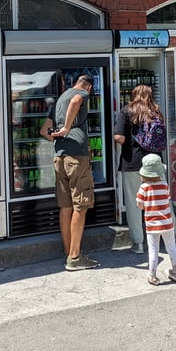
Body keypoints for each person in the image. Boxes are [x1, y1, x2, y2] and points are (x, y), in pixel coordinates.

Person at [113, 84, 176, 254]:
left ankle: (138, 244)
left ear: (134, 95)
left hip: (132, 162)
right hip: (154, 164)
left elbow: (119, 137)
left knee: (134, 204)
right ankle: (174, 234)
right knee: (162, 200)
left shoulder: (126, 111)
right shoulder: (156, 112)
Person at [49, 73, 99, 271]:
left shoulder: (61, 97)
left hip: (59, 156)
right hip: (77, 157)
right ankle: (75, 257)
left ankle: (69, 252)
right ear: (88, 87)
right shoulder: (81, 94)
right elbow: (77, 101)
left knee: (65, 206)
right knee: (81, 205)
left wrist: (58, 134)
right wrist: (67, 128)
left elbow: (45, 130)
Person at [135, 153, 176, 285]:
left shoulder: (144, 188)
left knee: (153, 250)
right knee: (171, 247)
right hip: (167, 223)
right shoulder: (164, 185)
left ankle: (152, 275)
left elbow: (140, 204)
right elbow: (167, 198)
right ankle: (175, 271)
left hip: (152, 225)